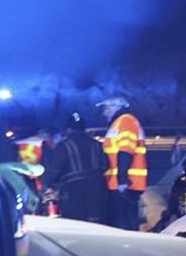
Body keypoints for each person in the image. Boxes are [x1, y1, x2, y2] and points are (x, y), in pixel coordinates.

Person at [42, 115, 106, 222]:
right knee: (97, 222)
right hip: (97, 190)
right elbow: (105, 165)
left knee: (76, 223)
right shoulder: (97, 145)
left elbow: (55, 171)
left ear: (68, 129)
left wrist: (48, 184)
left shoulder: (63, 146)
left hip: (74, 192)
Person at [98, 96, 148, 230]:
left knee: (123, 226)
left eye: (106, 109)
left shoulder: (126, 121)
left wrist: (122, 181)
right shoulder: (120, 123)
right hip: (120, 184)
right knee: (122, 225)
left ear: (115, 107)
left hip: (124, 185)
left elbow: (125, 151)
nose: (104, 113)